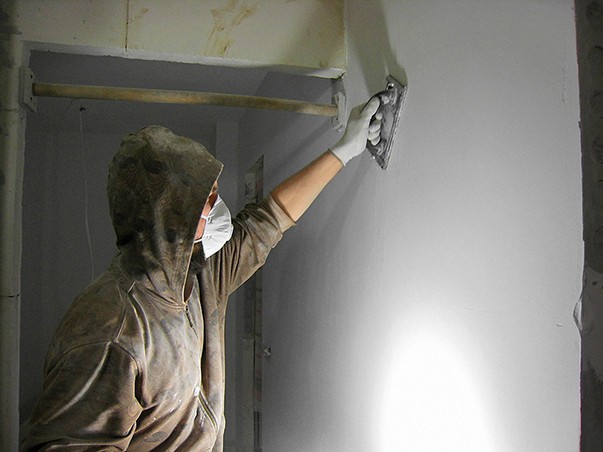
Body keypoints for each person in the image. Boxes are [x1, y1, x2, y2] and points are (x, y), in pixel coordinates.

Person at [21, 96, 382, 451]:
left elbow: (268, 221)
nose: (217, 206)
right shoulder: (111, 328)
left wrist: (343, 150)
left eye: (214, 193)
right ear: (167, 214)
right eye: (204, 199)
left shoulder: (197, 276)